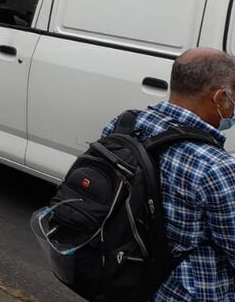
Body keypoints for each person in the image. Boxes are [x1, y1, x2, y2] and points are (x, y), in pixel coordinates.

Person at [98, 48, 235, 301]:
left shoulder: (124, 125)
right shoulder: (216, 166)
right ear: (220, 97)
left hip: (124, 277)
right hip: (189, 293)